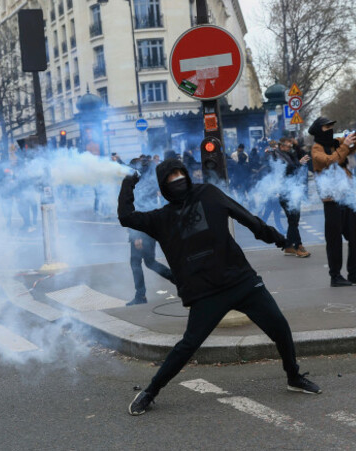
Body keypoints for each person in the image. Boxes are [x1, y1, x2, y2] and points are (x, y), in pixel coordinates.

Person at [118, 158, 321, 416]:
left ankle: (294, 377)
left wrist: (279, 239)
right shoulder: (162, 218)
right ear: (163, 187)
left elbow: (245, 217)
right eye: (171, 178)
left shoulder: (209, 194)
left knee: (279, 326)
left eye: (180, 173)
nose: (177, 179)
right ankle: (150, 391)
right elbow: (126, 217)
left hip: (241, 280)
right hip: (206, 294)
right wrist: (128, 181)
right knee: (187, 347)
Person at [309, 107, 356, 287]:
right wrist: (345, 146)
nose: (330, 129)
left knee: (355, 236)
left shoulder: (337, 143)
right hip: (332, 201)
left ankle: (354, 272)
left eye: (331, 126)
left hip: (348, 197)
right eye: (326, 127)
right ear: (317, 130)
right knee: (334, 239)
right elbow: (330, 161)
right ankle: (335, 276)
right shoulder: (316, 149)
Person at [125, 157, 174, 306]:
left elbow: (137, 210)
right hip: (148, 228)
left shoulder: (140, 186)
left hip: (141, 231)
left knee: (136, 262)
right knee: (149, 262)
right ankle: (180, 281)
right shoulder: (149, 182)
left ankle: (140, 296)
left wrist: (136, 236)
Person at [273, 137, 311, 257]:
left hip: (294, 190)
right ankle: (298, 246)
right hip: (285, 192)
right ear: (282, 146)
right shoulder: (276, 156)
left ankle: (289, 246)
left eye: (291, 146)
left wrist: (297, 146)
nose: (290, 149)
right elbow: (285, 170)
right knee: (293, 219)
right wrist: (298, 164)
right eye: (289, 146)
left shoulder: (289, 154)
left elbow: (303, 157)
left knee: (294, 220)